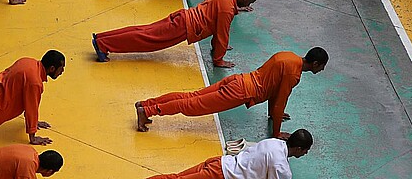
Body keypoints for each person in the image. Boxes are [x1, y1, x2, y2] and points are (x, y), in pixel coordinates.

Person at [135, 48, 328, 136]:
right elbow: (280, 102)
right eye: (322, 67)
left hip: (238, 79)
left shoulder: (288, 56)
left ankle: (146, 104)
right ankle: (148, 111)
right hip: (242, 92)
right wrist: (276, 132)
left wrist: (273, 114)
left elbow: (274, 92)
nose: (322, 71)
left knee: (192, 96)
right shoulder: (294, 74)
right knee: (192, 106)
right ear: (316, 64)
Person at [93, 0, 258, 66]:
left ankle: (102, 39)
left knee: (143, 31)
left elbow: (215, 22)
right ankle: (102, 43)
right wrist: (219, 59)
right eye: (249, 2)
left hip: (182, 17)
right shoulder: (227, 9)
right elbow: (222, 34)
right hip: (184, 27)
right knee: (145, 38)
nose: (247, 5)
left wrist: (220, 44)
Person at [147, 129, 313, 179]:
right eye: (306, 150)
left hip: (218, 162)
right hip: (219, 175)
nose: (305, 154)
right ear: (299, 149)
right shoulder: (282, 168)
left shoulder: (273, 142)